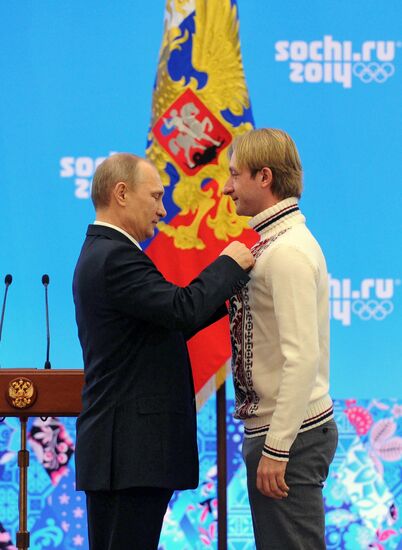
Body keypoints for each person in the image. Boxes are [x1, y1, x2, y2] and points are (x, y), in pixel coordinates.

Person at [72, 152, 254, 550]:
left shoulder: (102, 253)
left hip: (123, 454)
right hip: (129, 455)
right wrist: (229, 263)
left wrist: (229, 298)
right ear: (121, 193)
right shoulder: (115, 257)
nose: (162, 209)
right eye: (154, 197)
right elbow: (180, 307)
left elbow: (172, 321)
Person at [223, 129, 338, 549]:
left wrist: (278, 447)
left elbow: (302, 357)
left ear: (265, 177)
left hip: (290, 434)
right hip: (285, 431)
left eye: (235, 175)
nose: (226, 187)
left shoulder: (286, 251)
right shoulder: (278, 242)